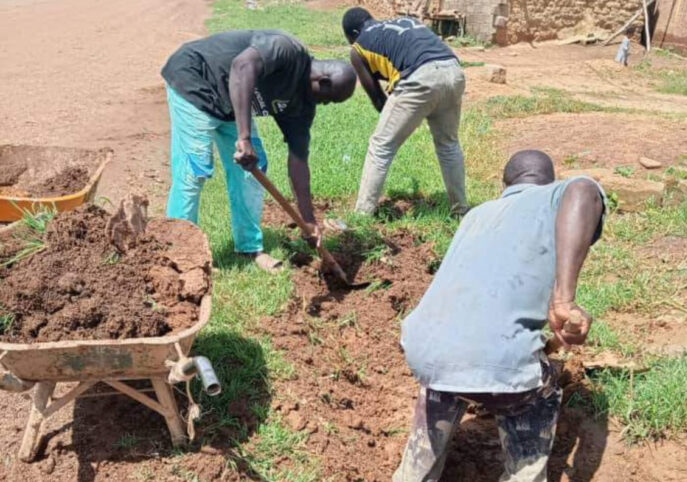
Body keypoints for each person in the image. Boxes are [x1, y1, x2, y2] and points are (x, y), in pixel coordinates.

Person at [396, 150, 607, 482]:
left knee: (444, 384)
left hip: (425, 352)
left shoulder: (477, 214)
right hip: (500, 361)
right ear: (549, 181)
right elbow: (583, 190)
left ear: (503, 184)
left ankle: (414, 474)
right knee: (538, 394)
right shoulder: (556, 196)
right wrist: (564, 299)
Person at [161, 30, 357, 271]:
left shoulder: (302, 106)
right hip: (196, 79)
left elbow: (298, 159)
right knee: (194, 171)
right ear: (323, 81)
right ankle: (178, 255)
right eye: (330, 99)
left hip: (231, 104)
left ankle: (249, 249)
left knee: (253, 169)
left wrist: (308, 219)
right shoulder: (285, 50)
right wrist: (244, 137)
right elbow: (242, 67)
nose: (325, 104)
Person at [342, 8, 468, 216]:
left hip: (420, 78)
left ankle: (362, 214)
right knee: (448, 145)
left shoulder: (358, 49)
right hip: (453, 71)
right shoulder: (403, 22)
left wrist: (406, 120)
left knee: (381, 146)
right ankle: (461, 211)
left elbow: (378, 99)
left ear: (354, 33)